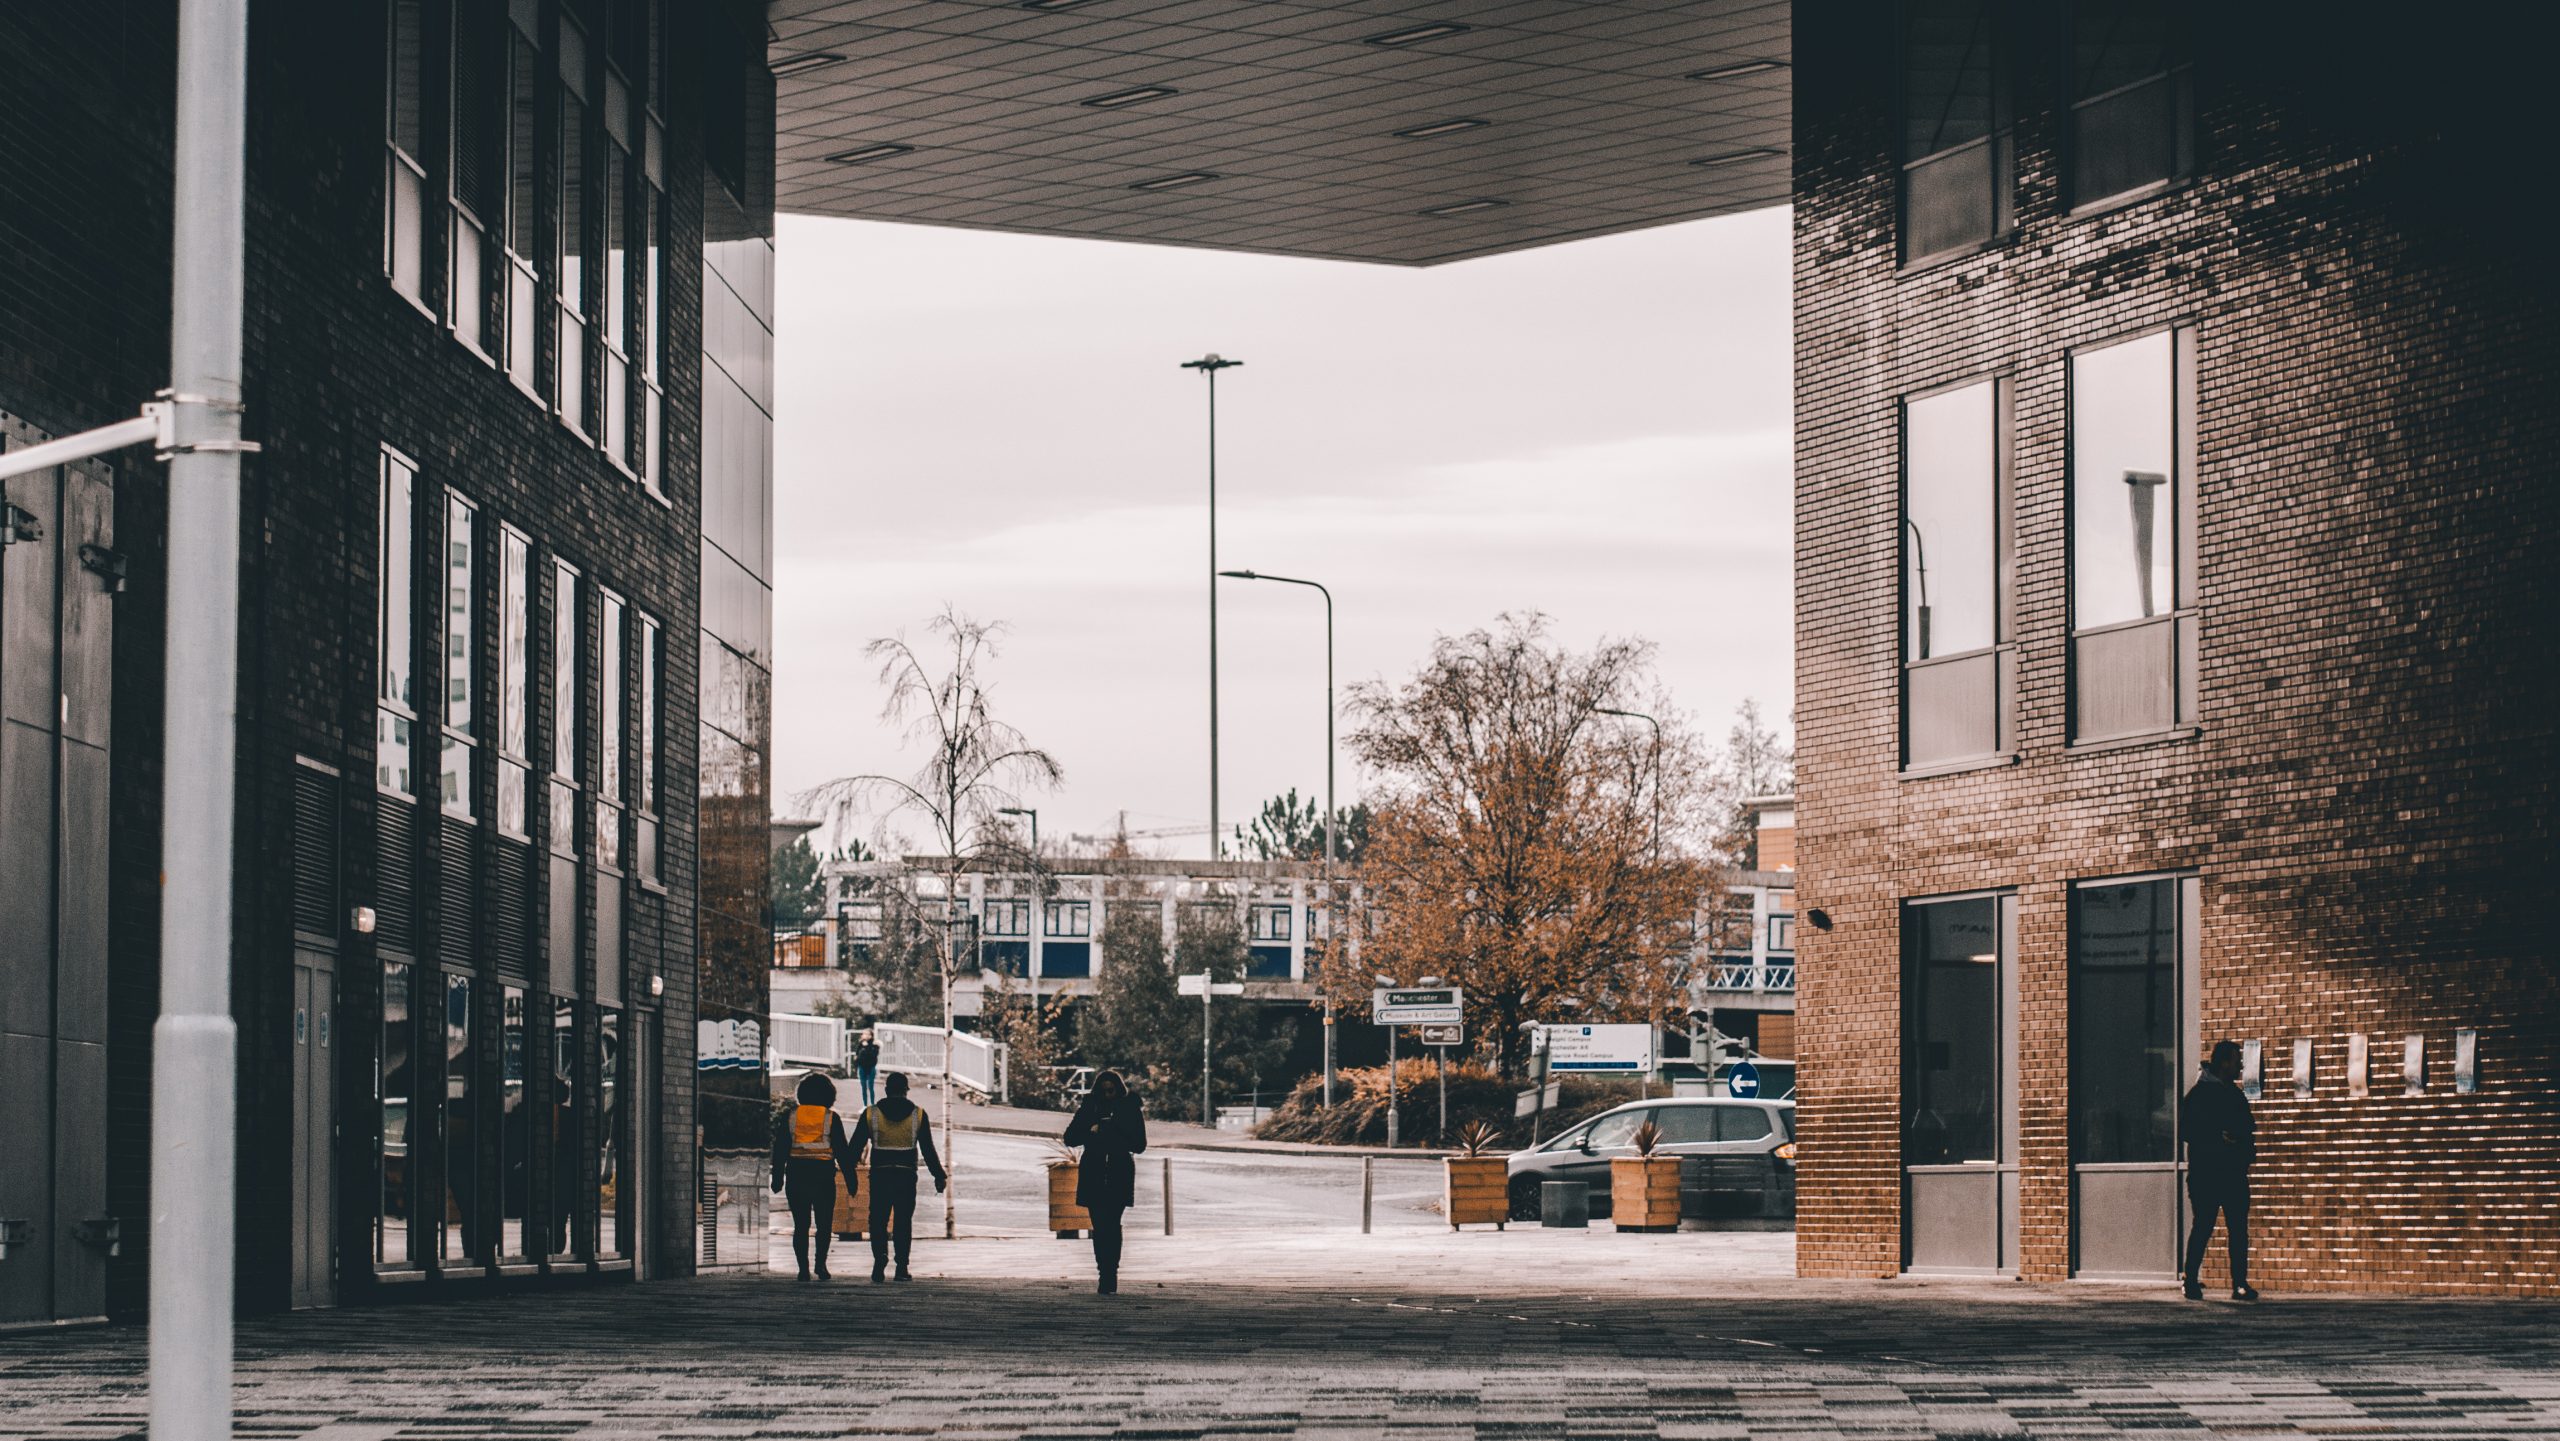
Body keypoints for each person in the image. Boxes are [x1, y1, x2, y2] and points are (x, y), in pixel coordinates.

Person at [847, 1071, 945, 1283]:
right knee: (903, 1221)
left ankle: (879, 1258)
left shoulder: (871, 1113)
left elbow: (855, 1147)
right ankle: (901, 1267)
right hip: (906, 1175)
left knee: (878, 1220)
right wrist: (939, 1175)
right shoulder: (919, 1115)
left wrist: (848, 1174)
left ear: (886, 1089)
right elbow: (928, 1150)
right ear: (906, 1090)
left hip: (880, 1174)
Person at [2180, 1039, 2259, 1301]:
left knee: (2238, 1228)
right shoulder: (2199, 1094)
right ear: (2224, 1062)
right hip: (2207, 1173)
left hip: (2233, 1172)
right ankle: (2190, 1279)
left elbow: (2248, 1128)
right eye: (2237, 1061)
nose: (2240, 1066)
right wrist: (2218, 1139)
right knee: (2203, 1225)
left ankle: (2239, 1282)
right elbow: (2188, 1131)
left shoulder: (2234, 1095)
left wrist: (2244, 1152)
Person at [1062, 1070, 1147, 1294]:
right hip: (1094, 1171)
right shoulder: (1090, 1107)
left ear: (1119, 1090)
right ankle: (1104, 1271)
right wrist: (1092, 1131)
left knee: (1112, 1222)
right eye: (1104, 1091)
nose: (1108, 1095)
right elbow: (1070, 1138)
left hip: (1119, 1171)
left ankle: (1111, 1272)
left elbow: (1139, 1144)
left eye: (1112, 1091)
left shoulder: (1129, 1108)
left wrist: (1113, 1130)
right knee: (1100, 1226)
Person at [769, 1071, 852, 1282]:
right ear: (829, 1095)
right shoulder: (831, 1118)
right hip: (823, 1175)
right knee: (824, 1224)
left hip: (796, 1174)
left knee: (801, 1225)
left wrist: (777, 1177)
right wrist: (851, 1180)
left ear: (801, 1093)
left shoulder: (791, 1116)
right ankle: (820, 1265)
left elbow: (780, 1149)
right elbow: (842, 1151)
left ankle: (803, 1269)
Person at [855, 1031, 881, 1108]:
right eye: (863, 1034)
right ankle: (865, 1105)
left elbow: (873, 1055)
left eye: (865, 1034)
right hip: (862, 1067)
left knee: (870, 1086)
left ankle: (873, 1105)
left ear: (870, 1036)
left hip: (870, 1068)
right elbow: (857, 1054)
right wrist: (857, 1063)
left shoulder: (875, 1045)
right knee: (863, 1087)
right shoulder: (861, 1044)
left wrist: (866, 1047)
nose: (863, 1035)